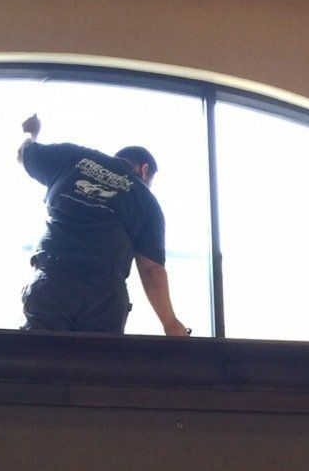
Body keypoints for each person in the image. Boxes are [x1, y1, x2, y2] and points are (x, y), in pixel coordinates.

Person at [15, 114, 190, 337]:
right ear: (144, 170)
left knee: (39, 363)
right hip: (104, 291)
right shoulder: (146, 199)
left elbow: (23, 154)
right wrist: (170, 323)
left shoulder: (73, 157)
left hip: (54, 277)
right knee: (96, 367)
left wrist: (31, 133)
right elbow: (151, 269)